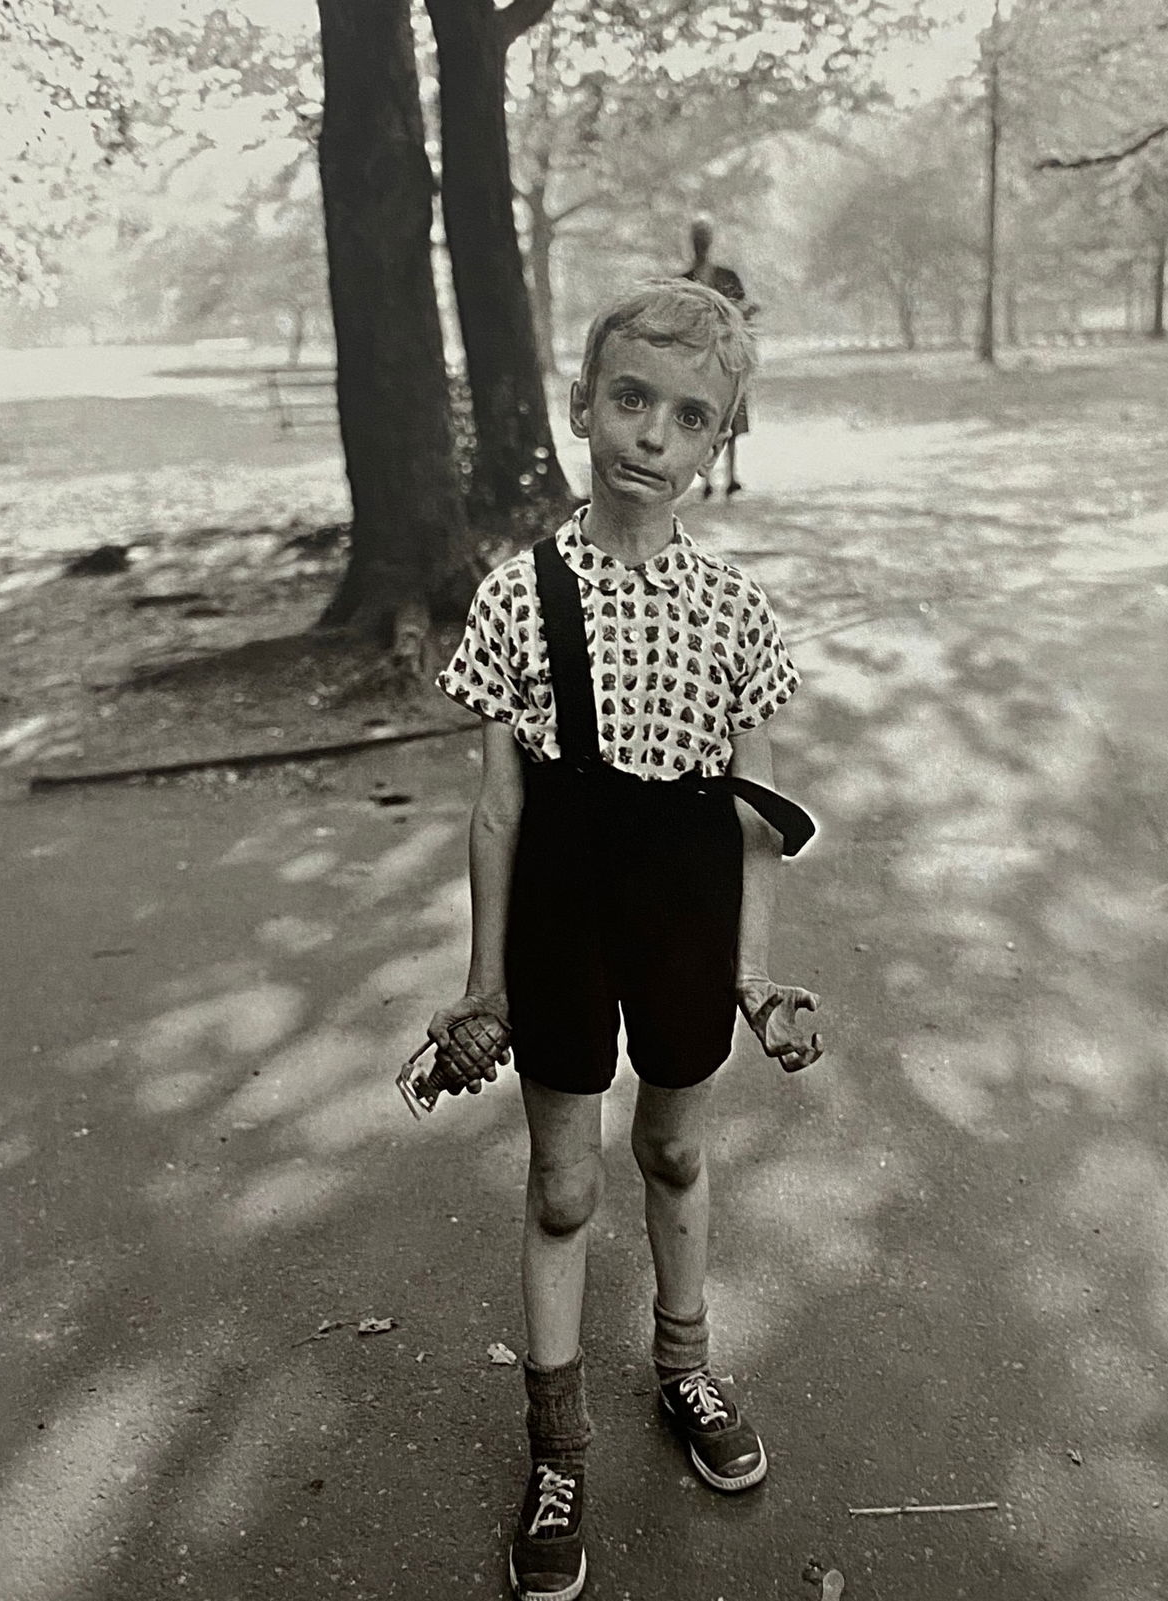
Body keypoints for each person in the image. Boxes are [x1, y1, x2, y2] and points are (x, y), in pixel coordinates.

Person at [419, 277, 825, 1601]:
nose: (653, 433)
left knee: (674, 1149)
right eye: (632, 399)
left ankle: (684, 1367)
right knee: (562, 1185)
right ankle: (557, 1446)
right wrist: (481, 983)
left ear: (721, 442)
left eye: (691, 416)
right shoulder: (515, 595)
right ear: (582, 403)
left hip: (686, 916)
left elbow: (759, 819)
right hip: (561, 915)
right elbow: (498, 809)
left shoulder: (738, 614)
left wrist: (754, 975)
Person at [682, 217, 754, 498]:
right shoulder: (683, 282)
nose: (700, 245)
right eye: (697, 239)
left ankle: (732, 476)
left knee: (730, 417)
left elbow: (741, 312)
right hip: (698, 361)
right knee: (702, 418)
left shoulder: (727, 277)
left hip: (727, 358)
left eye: (704, 239)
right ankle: (707, 479)